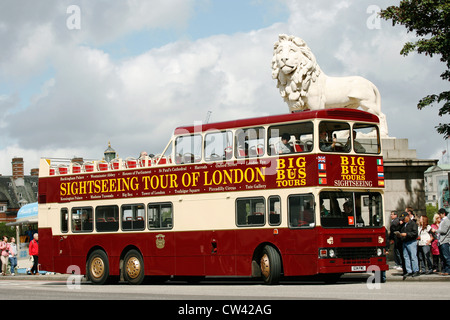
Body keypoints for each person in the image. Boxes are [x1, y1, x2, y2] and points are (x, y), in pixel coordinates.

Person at [397, 212, 419, 279]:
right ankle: (409, 270)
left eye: (404, 219)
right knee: (406, 257)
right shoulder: (403, 225)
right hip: (405, 242)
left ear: (408, 217)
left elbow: (415, 233)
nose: (403, 220)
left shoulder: (413, 224)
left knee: (413, 256)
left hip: (411, 241)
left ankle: (416, 270)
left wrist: (406, 234)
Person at [436, 208, 450, 275]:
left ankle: (448, 270)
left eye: (440, 214)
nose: (439, 215)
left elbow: (444, 230)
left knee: (446, 256)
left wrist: (436, 230)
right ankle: (444, 269)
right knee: (442, 257)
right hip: (441, 241)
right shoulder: (442, 221)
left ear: (443, 213)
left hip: (445, 241)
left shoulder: (446, 220)